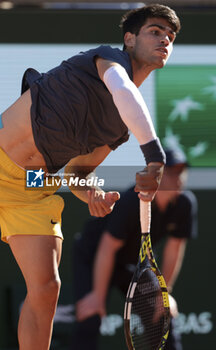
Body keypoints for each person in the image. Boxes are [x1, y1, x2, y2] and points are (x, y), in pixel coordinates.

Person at [0, 4, 181, 350]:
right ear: (129, 39)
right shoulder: (106, 60)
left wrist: (92, 193)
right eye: (155, 31)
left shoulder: (118, 130)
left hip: (32, 188)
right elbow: (124, 91)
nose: (165, 40)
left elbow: (77, 173)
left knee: (48, 288)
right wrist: (154, 158)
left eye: (170, 37)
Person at [71, 148, 198, 350]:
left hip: (134, 263)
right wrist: (97, 295)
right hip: (95, 257)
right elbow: (107, 248)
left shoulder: (185, 204)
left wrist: (164, 293)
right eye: (173, 171)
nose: (179, 177)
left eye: (182, 171)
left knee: (162, 312)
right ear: (157, 176)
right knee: (90, 316)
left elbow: (174, 250)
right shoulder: (133, 200)